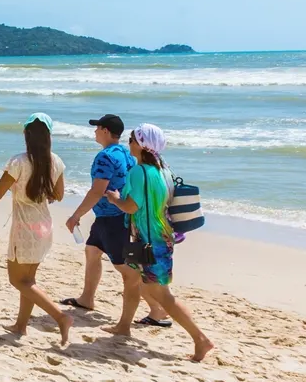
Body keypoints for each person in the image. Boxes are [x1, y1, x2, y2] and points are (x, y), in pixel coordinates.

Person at [104, 124, 214, 362]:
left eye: (132, 138)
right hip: (157, 237)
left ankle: (201, 339)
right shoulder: (163, 169)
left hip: (149, 241)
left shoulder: (139, 171)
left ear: (142, 144)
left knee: (162, 294)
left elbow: (131, 206)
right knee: (134, 282)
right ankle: (123, 326)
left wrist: (114, 199)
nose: (128, 141)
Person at [0, 113, 73, 345]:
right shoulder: (56, 161)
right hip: (44, 225)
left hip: (25, 228)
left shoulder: (19, 162)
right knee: (29, 279)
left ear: (27, 135)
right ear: (49, 136)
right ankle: (21, 325)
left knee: (18, 280)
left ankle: (60, 316)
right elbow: (60, 195)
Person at [61, 114, 136, 316]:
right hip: (116, 216)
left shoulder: (105, 156)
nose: (94, 131)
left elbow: (97, 190)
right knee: (92, 251)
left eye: (97, 128)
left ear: (105, 131)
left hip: (112, 219)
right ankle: (86, 298)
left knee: (126, 269)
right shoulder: (127, 154)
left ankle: (158, 309)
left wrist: (76, 215)